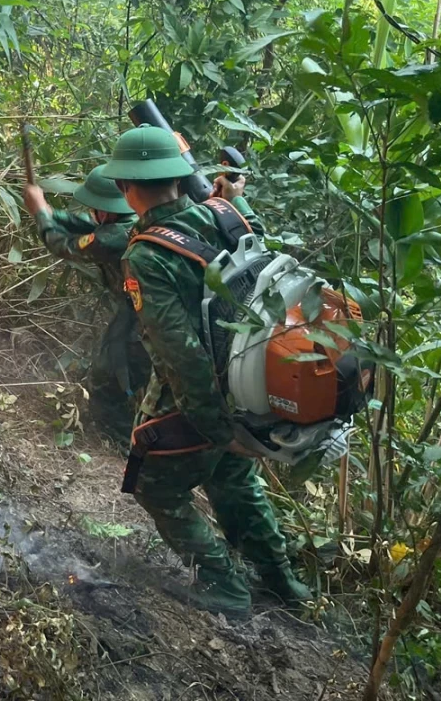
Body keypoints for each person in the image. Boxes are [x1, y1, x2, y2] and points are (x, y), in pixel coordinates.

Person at [100, 126, 311, 617]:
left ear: (128, 187)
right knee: (234, 480)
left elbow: (181, 354)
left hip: (206, 395)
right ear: (178, 177)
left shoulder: (147, 254)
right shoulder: (225, 212)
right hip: (253, 382)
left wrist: (217, 429)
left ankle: (223, 585)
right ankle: (284, 584)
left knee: (155, 483)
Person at [23, 168, 152, 445]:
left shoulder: (113, 237)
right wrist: (49, 210)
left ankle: (124, 445)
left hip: (144, 321)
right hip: (141, 315)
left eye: (95, 209)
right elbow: (83, 223)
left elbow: (63, 245)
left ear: (104, 211)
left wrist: (39, 213)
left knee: (109, 380)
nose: (92, 213)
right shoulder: (134, 220)